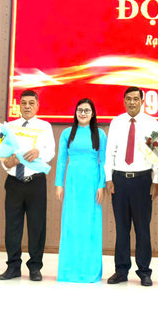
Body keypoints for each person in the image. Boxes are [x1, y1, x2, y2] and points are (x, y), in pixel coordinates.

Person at [105, 86, 158, 286]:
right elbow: (110, 152)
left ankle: (144, 271)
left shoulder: (152, 122)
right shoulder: (116, 122)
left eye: (136, 99)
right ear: (124, 101)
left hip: (143, 180)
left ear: (142, 101)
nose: (132, 102)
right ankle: (121, 270)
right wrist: (108, 179)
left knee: (142, 228)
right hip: (119, 180)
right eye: (128, 99)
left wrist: (156, 181)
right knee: (122, 228)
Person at [0, 90, 55, 281]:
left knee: (37, 226)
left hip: (35, 182)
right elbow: (2, 152)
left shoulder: (45, 126)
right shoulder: (9, 126)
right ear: (19, 106)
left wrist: (39, 152)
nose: (27, 106)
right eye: (24, 103)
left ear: (37, 105)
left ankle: (35, 267)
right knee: (12, 226)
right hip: (14, 181)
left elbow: (50, 151)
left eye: (31, 103)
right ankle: (13, 266)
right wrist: (7, 163)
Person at [54, 98, 107, 282]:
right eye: (80, 110)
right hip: (73, 184)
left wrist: (101, 185)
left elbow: (103, 161)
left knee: (90, 225)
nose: (83, 113)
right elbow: (61, 160)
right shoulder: (67, 133)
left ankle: (89, 271)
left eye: (87, 110)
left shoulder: (99, 134)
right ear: (75, 112)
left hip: (92, 185)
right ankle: (69, 271)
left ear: (93, 114)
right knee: (71, 224)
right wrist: (59, 184)